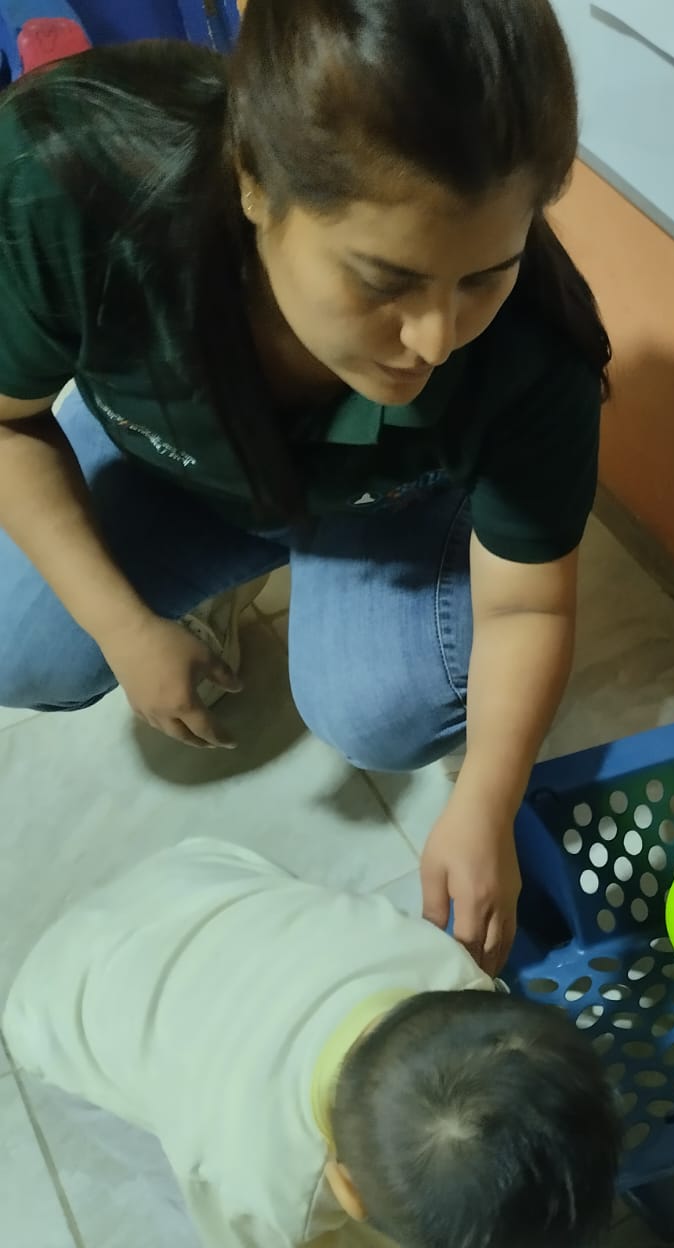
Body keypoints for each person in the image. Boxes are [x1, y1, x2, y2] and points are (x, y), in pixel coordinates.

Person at [0, 0, 611, 975]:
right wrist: (121, 623)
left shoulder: (532, 351)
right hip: (173, 464)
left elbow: (528, 603)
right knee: (18, 640)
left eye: (483, 278)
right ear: (253, 181)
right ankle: (216, 571)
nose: (434, 339)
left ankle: (347, 540)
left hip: (383, 502)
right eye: (384, 280)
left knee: (378, 710)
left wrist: (487, 802)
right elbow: (8, 421)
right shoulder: (73, 186)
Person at [0, 837, 622, 1248]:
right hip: (62, 1016)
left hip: (193, 881)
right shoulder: (253, 1183)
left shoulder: (444, 967)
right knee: (193, 1207)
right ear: (345, 1189)